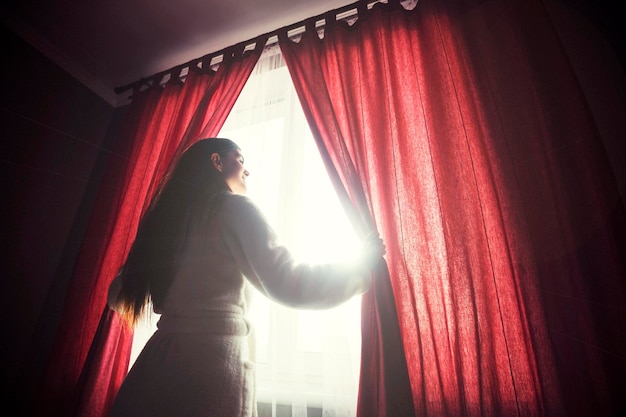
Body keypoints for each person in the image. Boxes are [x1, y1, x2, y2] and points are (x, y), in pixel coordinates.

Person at [107, 137, 385, 417]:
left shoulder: (168, 222)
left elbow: (117, 297)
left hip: (155, 364)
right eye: (239, 159)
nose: (246, 170)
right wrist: (358, 270)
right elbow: (289, 282)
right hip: (209, 369)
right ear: (216, 161)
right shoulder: (233, 208)